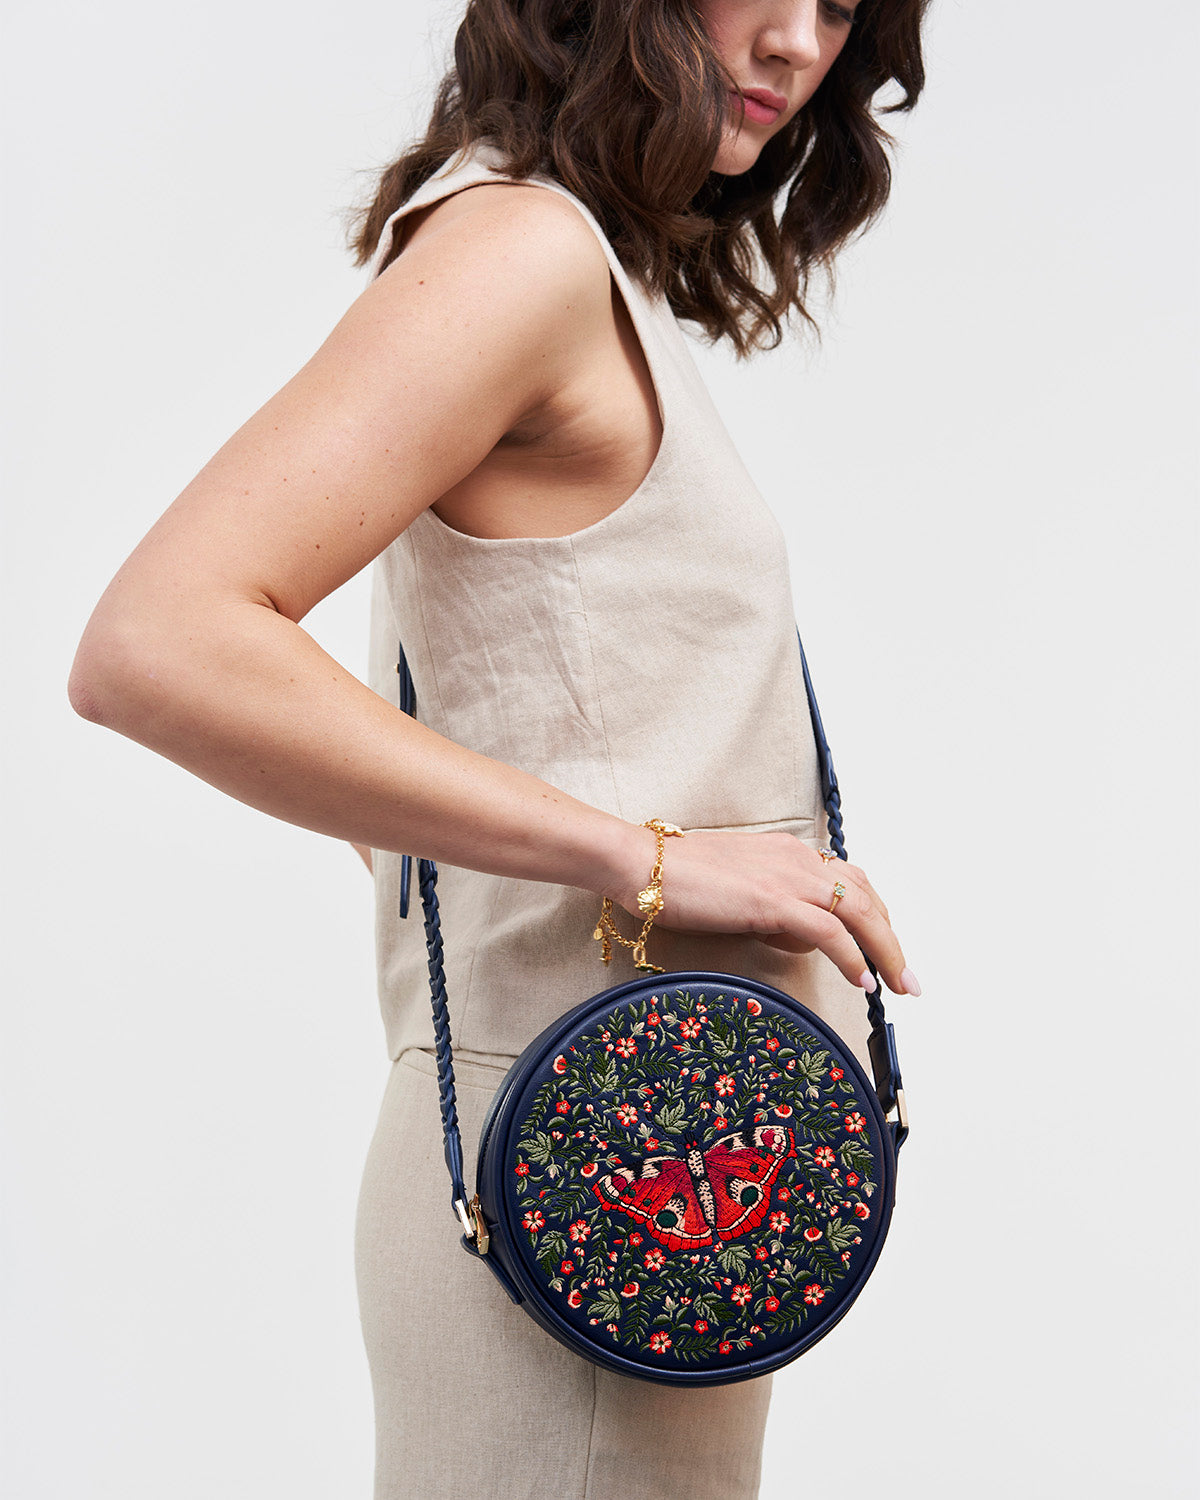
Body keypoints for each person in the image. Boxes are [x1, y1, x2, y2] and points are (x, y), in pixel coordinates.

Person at [69, 0, 929, 1494]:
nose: (800, 44)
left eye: (844, 7)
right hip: (591, 1203)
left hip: (660, 1189)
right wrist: (634, 857)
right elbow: (157, 642)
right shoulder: (520, 253)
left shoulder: (576, 264)